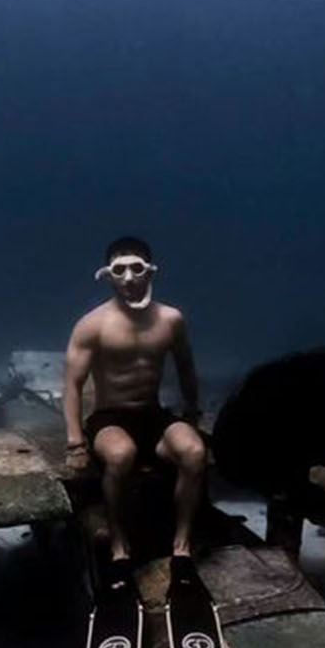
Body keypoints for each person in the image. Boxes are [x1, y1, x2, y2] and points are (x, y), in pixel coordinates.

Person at [62, 236, 206, 596]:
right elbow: (72, 384)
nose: (128, 277)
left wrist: (192, 413)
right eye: (119, 269)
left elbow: (187, 368)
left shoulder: (171, 319)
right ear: (107, 275)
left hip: (153, 415)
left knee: (195, 452)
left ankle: (182, 549)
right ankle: (119, 549)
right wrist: (75, 441)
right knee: (120, 454)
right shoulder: (92, 325)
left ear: (150, 271)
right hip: (109, 417)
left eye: (136, 268)